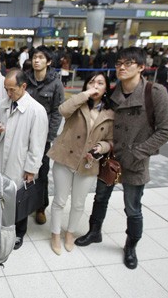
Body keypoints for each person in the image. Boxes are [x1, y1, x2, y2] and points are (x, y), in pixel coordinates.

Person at [75, 47, 168, 270]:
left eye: (128, 63)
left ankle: (131, 245)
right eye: (119, 63)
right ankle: (94, 231)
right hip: (110, 157)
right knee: (100, 198)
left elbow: (166, 129)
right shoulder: (113, 93)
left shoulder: (154, 92)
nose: (122, 67)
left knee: (132, 207)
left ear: (141, 67)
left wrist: (140, 151)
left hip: (136, 160)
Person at [47, 72, 114, 255]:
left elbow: (110, 141)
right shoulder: (78, 103)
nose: (96, 85)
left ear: (106, 88)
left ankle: (70, 233)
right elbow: (62, 110)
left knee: (78, 203)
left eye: (100, 83)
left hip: (88, 163)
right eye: (92, 82)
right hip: (65, 157)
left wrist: (101, 147)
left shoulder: (110, 112)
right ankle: (54, 234)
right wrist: (85, 94)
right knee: (60, 200)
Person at [0, 68, 48, 250]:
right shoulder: (4, 103)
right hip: (3, 158)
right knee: (3, 195)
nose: (8, 94)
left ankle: (19, 232)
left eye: (12, 90)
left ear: (23, 86)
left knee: (19, 199)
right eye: (6, 89)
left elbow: (37, 144)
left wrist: (31, 169)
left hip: (20, 161)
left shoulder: (36, 111)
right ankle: (3, 227)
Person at [25, 45, 65, 225]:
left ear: (48, 62)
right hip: (24, 131)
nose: (36, 60)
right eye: (34, 57)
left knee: (41, 171)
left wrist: (49, 137)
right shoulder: (25, 78)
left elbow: (57, 111)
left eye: (41, 57)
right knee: (23, 168)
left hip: (43, 135)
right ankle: (25, 203)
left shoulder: (55, 83)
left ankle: (41, 207)